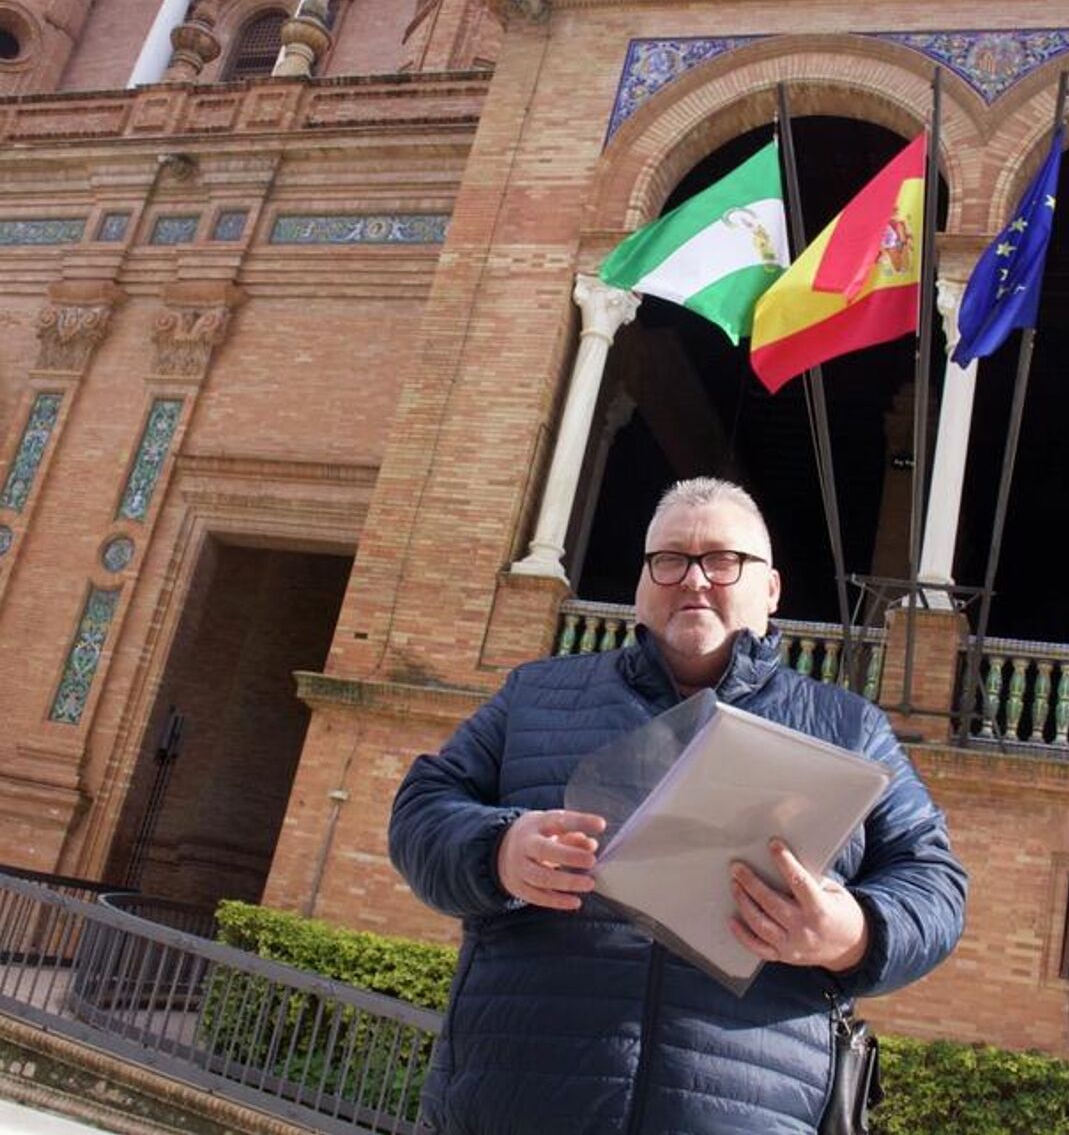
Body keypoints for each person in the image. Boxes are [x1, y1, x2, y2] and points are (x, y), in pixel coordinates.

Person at [389, 477, 967, 1135]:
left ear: (771, 588)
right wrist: (496, 850)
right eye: (669, 559)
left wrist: (853, 933)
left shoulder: (849, 728)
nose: (693, 580)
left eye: (723, 561)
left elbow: (935, 883)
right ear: (642, 582)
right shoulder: (536, 696)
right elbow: (421, 807)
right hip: (513, 1103)